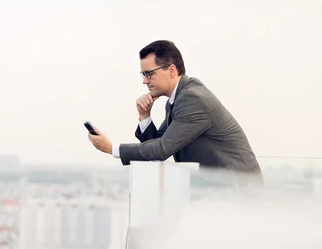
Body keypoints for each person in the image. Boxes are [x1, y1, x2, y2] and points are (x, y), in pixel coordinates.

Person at [88, 40, 262, 177]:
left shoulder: (192, 99)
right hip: (221, 190)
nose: (145, 81)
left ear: (171, 71)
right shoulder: (179, 97)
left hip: (239, 191)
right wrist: (145, 116)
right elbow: (159, 142)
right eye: (143, 75)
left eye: (149, 74)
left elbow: (160, 150)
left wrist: (111, 148)